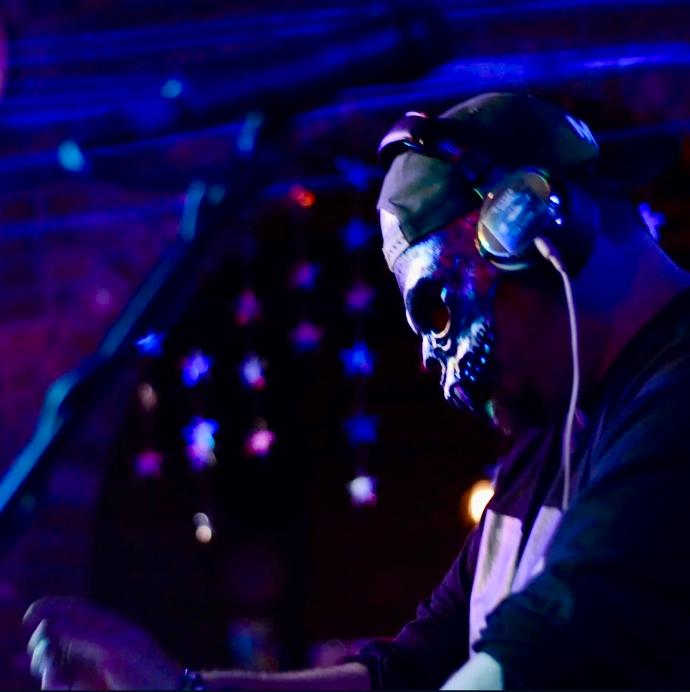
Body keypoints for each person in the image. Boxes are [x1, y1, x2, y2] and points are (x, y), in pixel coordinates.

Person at [24, 91, 690, 689]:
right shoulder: (551, 438)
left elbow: (533, 659)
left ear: (526, 230)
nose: (430, 356)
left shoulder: (674, 404)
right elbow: (409, 673)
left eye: (437, 307)